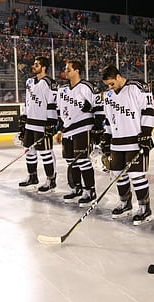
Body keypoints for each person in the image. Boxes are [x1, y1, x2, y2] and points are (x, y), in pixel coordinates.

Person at [100, 65, 154, 225]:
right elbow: (109, 119)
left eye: (111, 83)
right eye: (107, 85)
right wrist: (106, 136)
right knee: (118, 174)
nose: (110, 87)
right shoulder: (109, 96)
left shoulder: (137, 87)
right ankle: (125, 204)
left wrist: (146, 133)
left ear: (118, 76)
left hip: (135, 141)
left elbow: (149, 111)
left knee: (136, 176)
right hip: (117, 141)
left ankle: (145, 209)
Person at [56, 59, 105, 207]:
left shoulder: (87, 87)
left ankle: (90, 191)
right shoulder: (62, 90)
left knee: (83, 160)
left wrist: (97, 129)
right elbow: (60, 112)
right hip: (68, 129)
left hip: (83, 128)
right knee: (71, 161)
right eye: (65, 69)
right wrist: (60, 130)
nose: (66, 72)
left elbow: (99, 107)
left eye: (68, 69)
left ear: (77, 71)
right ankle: (76, 188)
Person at [18, 56, 58, 193]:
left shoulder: (50, 83)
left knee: (46, 153)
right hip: (30, 123)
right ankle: (32, 177)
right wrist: (24, 117)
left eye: (36, 64)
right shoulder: (29, 82)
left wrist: (51, 123)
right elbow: (28, 101)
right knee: (29, 152)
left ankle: (50, 180)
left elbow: (53, 104)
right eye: (34, 64)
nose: (33, 66)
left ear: (44, 67)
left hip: (42, 124)